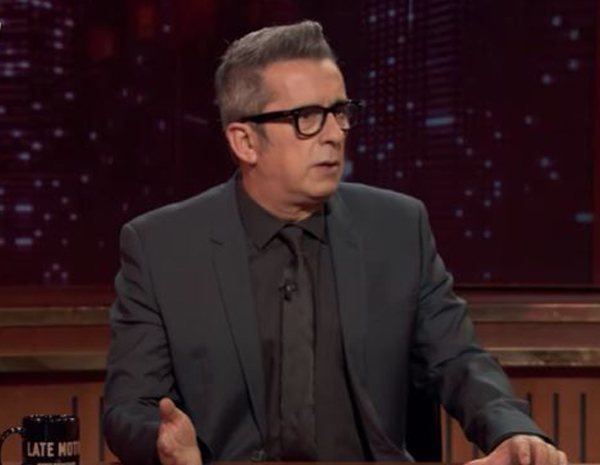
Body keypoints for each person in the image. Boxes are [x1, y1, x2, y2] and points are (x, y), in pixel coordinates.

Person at [103, 20, 567, 465]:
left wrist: (512, 431)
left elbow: (457, 358)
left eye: (339, 112)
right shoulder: (162, 248)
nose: (333, 135)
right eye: (306, 117)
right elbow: (129, 405)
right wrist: (163, 445)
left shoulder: (397, 228)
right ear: (245, 142)